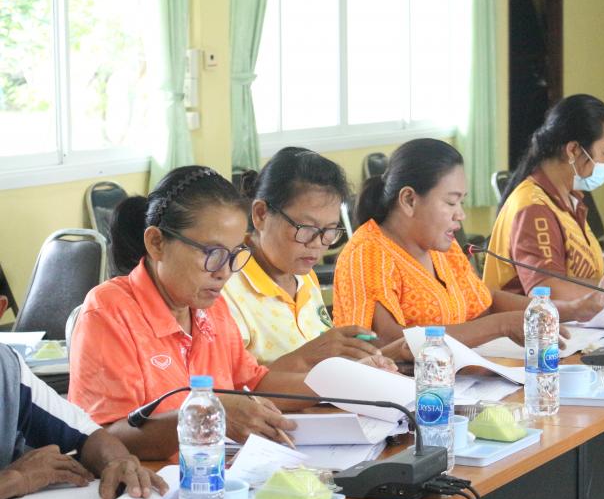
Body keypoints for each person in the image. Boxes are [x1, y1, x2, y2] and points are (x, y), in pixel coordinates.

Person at [68, 166, 393, 460]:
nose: (224, 272)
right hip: (153, 486)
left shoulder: (210, 308)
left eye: (235, 255)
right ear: (156, 243)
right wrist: (209, 416)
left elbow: (256, 382)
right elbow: (102, 437)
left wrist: (346, 381)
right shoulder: (110, 312)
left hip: (222, 470)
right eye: (212, 254)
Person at [333, 138, 540, 349]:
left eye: (461, 202)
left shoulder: (443, 247)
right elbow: (386, 340)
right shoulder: (367, 254)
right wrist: (502, 325)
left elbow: (482, 304)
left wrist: (548, 310)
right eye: (451, 202)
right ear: (409, 200)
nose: (460, 214)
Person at [223, 147, 384, 370]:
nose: (318, 243)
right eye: (306, 228)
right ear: (260, 214)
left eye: (329, 230)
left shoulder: (303, 277)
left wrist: (377, 356)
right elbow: (227, 384)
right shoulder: (225, 288)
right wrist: (306, 357)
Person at [483, 94, 604, 321]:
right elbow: (548, 292)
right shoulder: (533, 207)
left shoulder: (569, 198)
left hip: (569, 327)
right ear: (573, 150)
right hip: (526, 334)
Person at [0, 344, 168, 499]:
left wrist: (118, 462)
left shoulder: (6, 366)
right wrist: (16, 479)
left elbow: (86, 433)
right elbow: (18, 479)